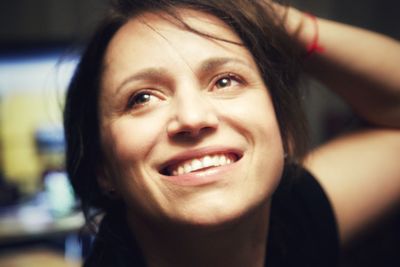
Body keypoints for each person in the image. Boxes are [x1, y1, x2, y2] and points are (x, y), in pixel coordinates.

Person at [63, 0, 400, 266]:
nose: (193, 118)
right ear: (103, 168)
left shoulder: (296, 216)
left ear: (282, 130)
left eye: (225, 81)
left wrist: (282, 23)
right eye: (143, 99)